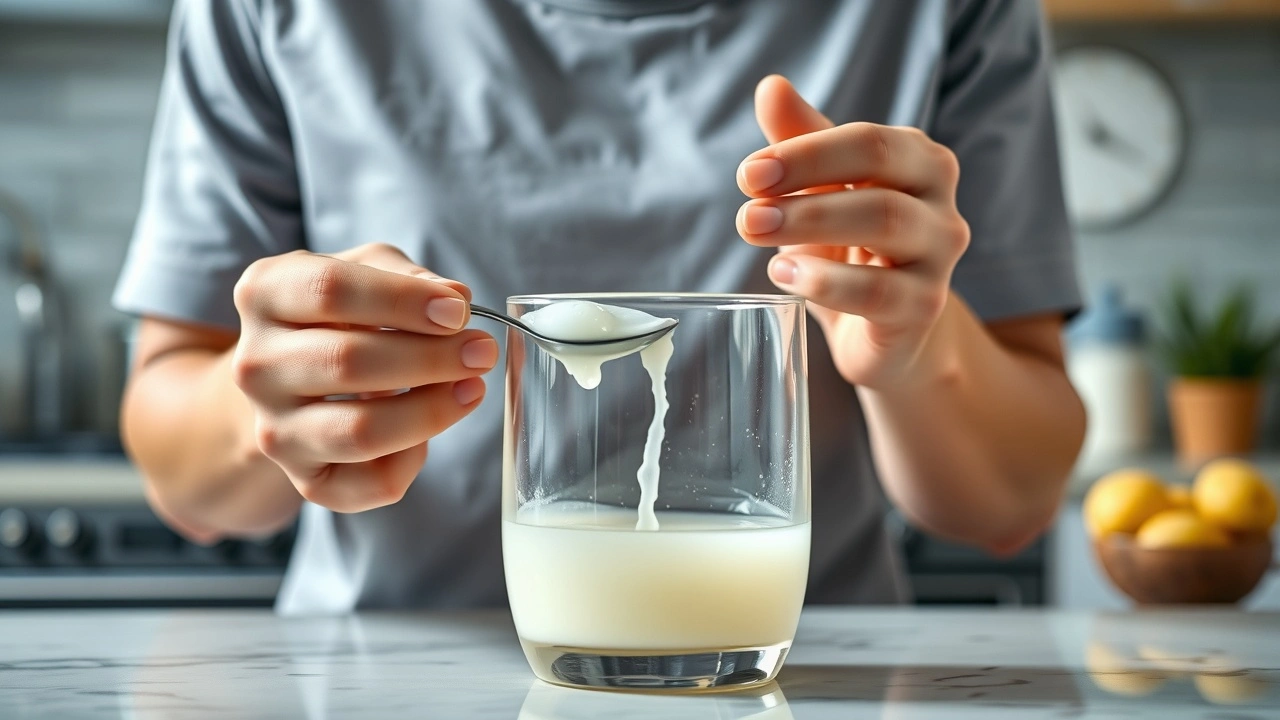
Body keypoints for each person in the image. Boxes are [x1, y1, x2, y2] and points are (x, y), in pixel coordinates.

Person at [116, 0, 1086, 614]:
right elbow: (185, 487)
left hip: (789, 675)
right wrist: (274, 409)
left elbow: (1007, 506)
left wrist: (915, 349)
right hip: (388, 676)